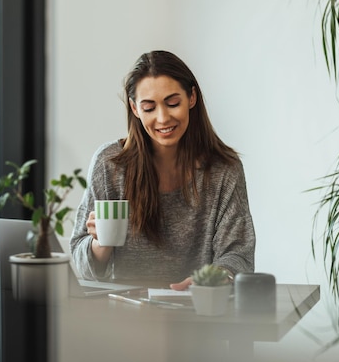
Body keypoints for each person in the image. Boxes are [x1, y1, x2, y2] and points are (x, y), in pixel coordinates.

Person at [69, 50, 255, 290]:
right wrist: (100, 244)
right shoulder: (110, 164)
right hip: (123, 315)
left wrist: (213, 279)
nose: (163, 118)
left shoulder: (223, 170)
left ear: (192, 98)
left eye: (173, 103)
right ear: (135, 109)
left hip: (197, 311)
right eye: (149, 108)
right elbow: (82, 265)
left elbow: (238, 255)